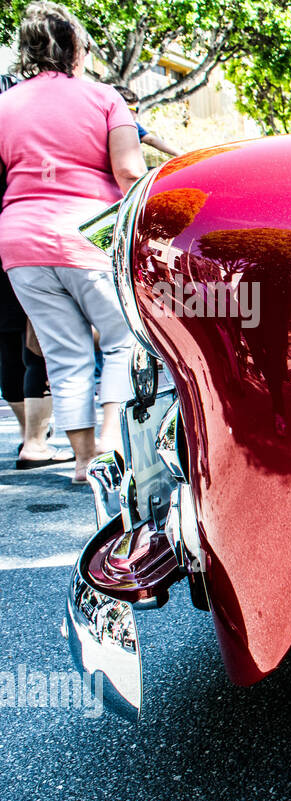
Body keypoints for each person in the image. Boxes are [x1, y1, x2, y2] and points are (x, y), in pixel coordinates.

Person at [0, 2, 146, 483]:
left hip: (21, 243)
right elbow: (129, 172)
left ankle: (82, 460)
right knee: (123, 338)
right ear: (77, 48)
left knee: (64, 353)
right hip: (86, 237)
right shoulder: (104, 98)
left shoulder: (6, 104)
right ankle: (108, 445)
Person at [0, 68, 66, 468]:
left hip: (11, 245)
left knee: (7, 346)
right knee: (36, 342)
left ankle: (32, 435)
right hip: (20, 244)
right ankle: (35, 442)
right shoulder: (18, 141)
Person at [114, 86, 182, 158]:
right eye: (135, 109)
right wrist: (181, 154)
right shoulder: (130, 125)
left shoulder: (104, 123)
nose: (137, 113)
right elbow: (151, 140)